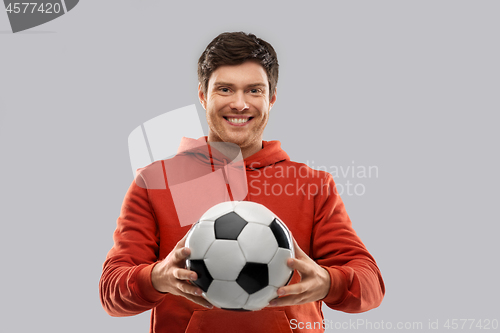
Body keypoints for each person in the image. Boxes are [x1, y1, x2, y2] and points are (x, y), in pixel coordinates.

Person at [100, 31, 385, 333]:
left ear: (271, 98)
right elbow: (111, 293)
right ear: (202, 95)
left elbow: (371, 286)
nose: (239, 104)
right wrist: (156, 278)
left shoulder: (312, 185)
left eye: (254, 91)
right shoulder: (154, 182)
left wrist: (330, 283)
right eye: (225, 89)